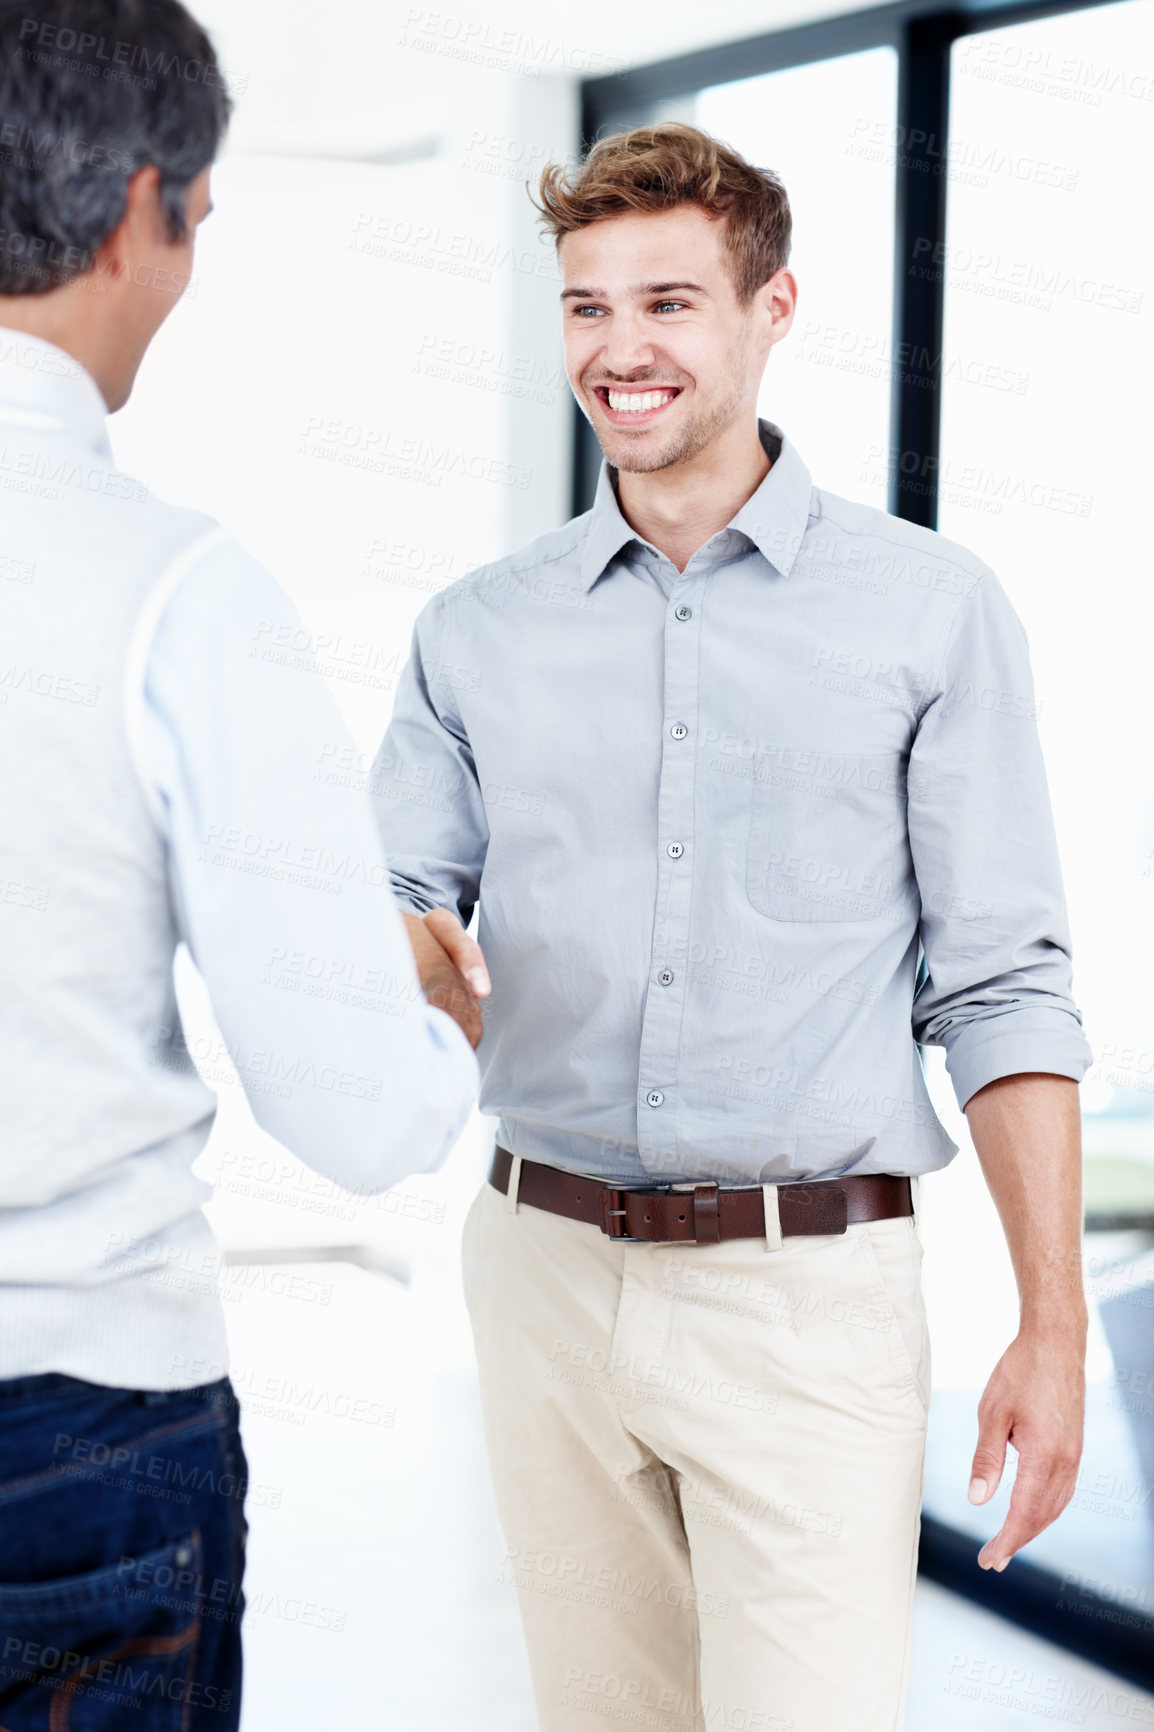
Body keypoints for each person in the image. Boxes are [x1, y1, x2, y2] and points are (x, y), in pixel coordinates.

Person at [370, 124, 1093, 1732]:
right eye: (584, 307)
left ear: (772, 310)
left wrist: (1054, 1324)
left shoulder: (926, 610)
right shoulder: (475, 630)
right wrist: (404, 943)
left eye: (669, 303)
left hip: (806, 1299)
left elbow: (1003, 984)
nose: (620, 350)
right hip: (541, 1268)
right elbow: (399, 891)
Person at [0, 3, 478, 1725]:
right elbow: (350, 1112)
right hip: (70, 1432)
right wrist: (433, 1022)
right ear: (143, 209)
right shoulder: (173, 594)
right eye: (198, 216)